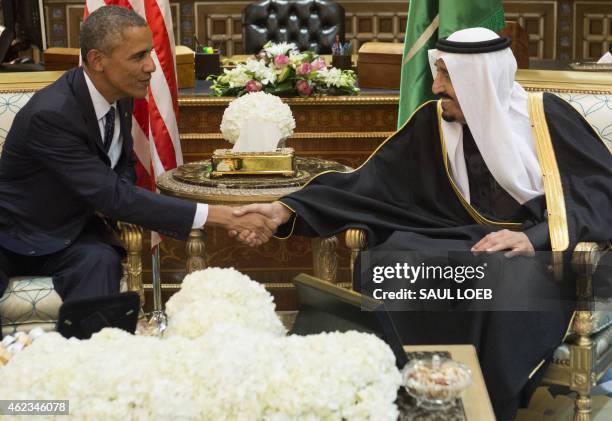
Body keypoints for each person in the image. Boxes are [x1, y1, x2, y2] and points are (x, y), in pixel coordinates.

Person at [232, 28, 612, 419]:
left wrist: (535, 237)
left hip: (537, 257)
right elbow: (366, 185)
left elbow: (602, 193)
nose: (435, 86)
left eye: (447, 76)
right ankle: (404, 397)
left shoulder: (545, 118)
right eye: (438, 72)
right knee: (393, 259)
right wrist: (286, 209)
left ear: (479, 81)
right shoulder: (432, 125)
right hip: (456, 240)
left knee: (491, 277)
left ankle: (475, 407)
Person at [0, 5, 276, 309]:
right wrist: (221, 216)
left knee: (101, 262)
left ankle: (90, 353)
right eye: (138, 57)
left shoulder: (121, 95)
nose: (151, 67)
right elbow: (113, 195)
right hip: (11, 236)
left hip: (72, 235)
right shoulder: (52, 114)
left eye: (150, 53)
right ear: (97, 60)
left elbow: (123, 172)